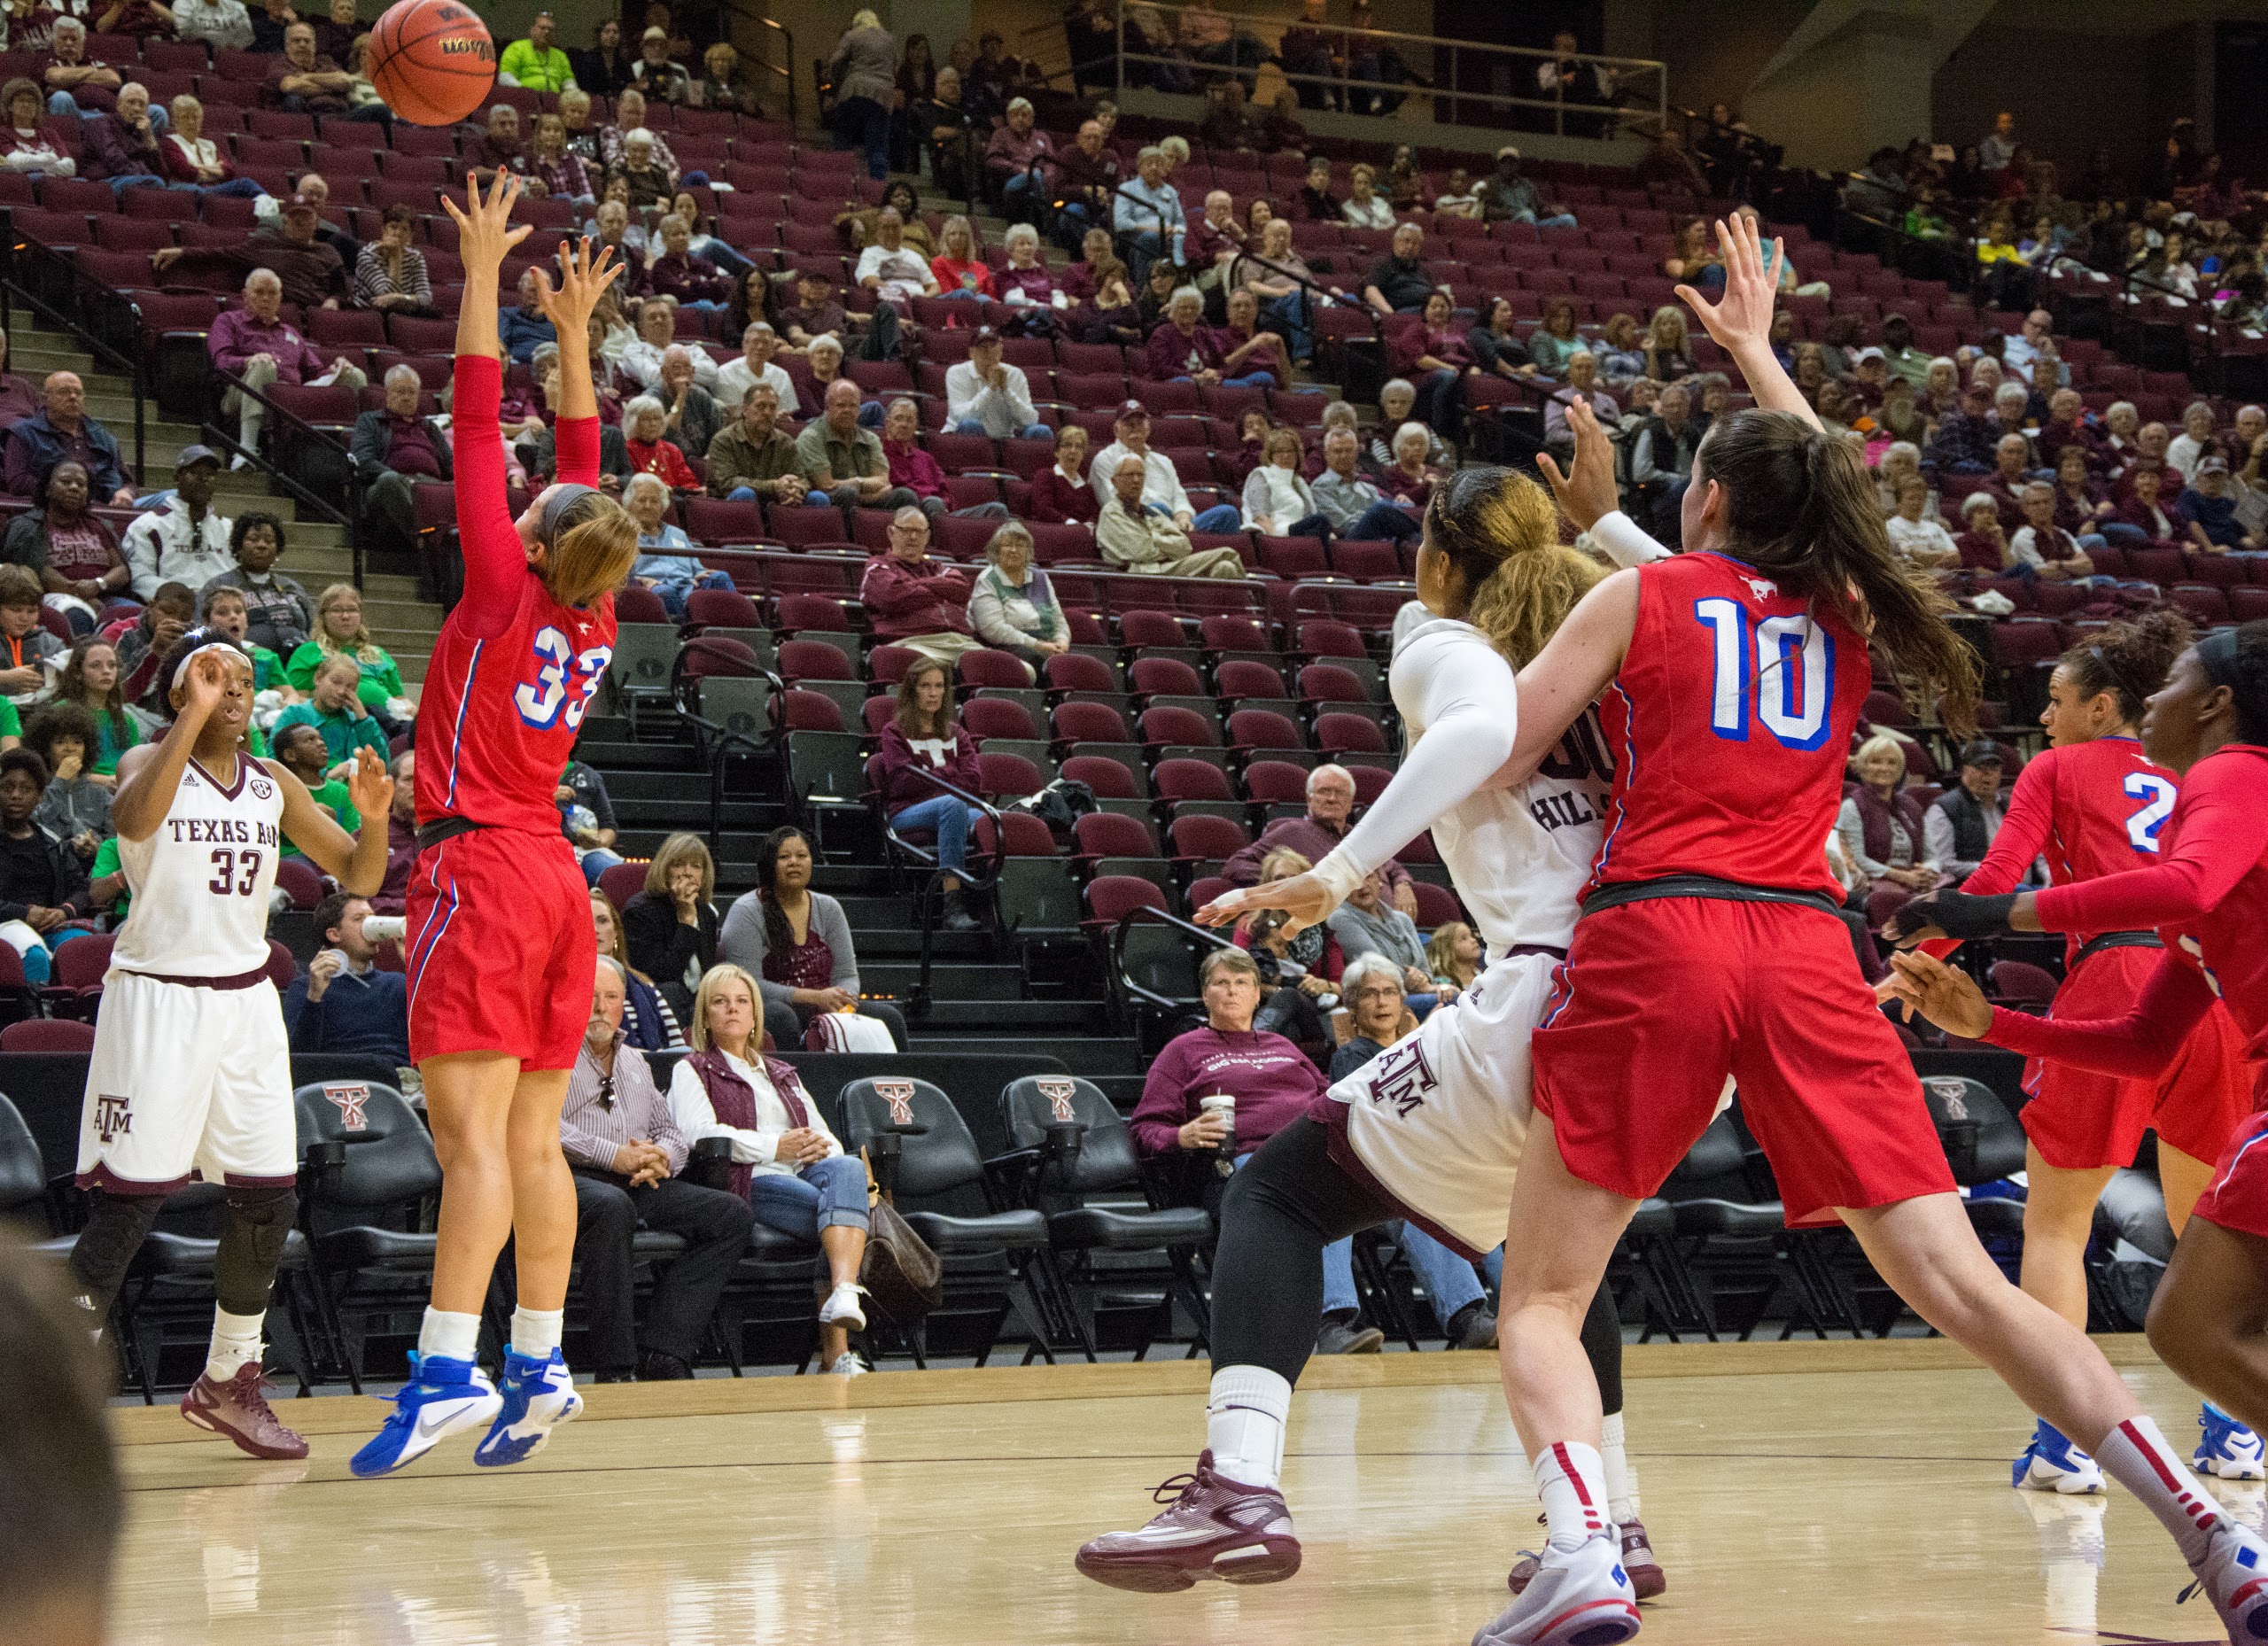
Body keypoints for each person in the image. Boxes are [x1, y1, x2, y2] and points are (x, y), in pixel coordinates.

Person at [1456, 212, 2268, 1642]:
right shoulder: (1839, 614)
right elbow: (1840, 497)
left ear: (1702, 502)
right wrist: (1763, 356)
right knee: (1964, 1282)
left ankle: (1582, 1546)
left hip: (1661, 934)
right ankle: (2215, 1530)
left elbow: (1500, 756)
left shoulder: (1645, 593)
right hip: (1808, 946)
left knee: (1544, 1295)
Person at [1085, 453, 1674, 1591]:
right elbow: (1737, 591)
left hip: (1549, 986)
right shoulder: (1628, 653)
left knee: (1280, 1192)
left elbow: (1470, 737)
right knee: (1561, 1277)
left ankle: (1240, 1484)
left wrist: (1341, 867)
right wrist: (1616, 522)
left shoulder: (1440, 640)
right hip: (1670, 1004)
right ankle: (1611, 1524)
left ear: (1441, 558)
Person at [350, 181, 639, 1479]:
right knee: (529, 1140)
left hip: (480, 863)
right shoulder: (594, 609)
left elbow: (476, 421)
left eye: (530, 505)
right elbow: (578, 471)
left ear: (533, 536)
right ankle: (540, 1357)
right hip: (563, 882)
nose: (519, 498)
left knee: (471, 1143)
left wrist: (478, 271)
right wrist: (574, 337)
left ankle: (445, 1367)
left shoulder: (503, 582)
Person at [1881, 623, 2268, 1472]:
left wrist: (1934, 947)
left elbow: (1996, 882)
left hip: (2111, 960)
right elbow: (2159, 1001)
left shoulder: (2179, 773)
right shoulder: (2192, 793)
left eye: (2055, 702)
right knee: (2204, 1238)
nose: (2045, 720)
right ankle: (2235, 1430)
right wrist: (1991, 1022)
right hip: (2208, 1001)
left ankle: (2066, 1440)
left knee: (2058, 1227)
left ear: (2102, 706)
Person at [66, 633, 391, 1461]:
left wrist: (380, 818)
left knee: (269, 1194)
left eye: (244, 679)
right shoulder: (148, 759)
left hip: (245, 1006)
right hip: (159, 1001)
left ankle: (229, 1377)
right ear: (180, 694)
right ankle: (46, 1390)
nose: (235, 688)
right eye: (213, 676)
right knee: (132, 1200)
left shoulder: (272, 783)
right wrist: (193, 715)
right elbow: (133, 820)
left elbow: (355, 873)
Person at [667, 962, 872, 1375]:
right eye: (720, 1002)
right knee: (839, 1220)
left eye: (742, 1001)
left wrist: (820, 1146)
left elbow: (821, 1132)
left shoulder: (780, 1072)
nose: (733, 1009)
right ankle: (839, 1349)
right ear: (705, 1014)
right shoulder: (692, 1068)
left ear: (756, 1013)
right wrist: (774, 1145)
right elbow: (701, 1135)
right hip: (749, 1179)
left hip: (801, 1172)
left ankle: (844, 1292)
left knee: (846, 1167)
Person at [559, 955, 752, 1383]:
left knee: (730, 1214)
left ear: (623, 1003)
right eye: (590, 997)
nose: (600, 1007)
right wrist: (614, 1155)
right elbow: (539, 1127)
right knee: (611, 1208)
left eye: (611, 997)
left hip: (637, 1179)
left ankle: (663, 1350)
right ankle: (615, 1366)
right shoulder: (552, 1053)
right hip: (568, 1180)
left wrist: (660, 1157)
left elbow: (670, 1130)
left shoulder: (634, 1061)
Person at [715, 823, 906, 1052]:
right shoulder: (746, 910)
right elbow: (748, 983)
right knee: (782, 1017)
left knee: (889, 1017)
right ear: (769, 865)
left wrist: (842, 1005)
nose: (794, 862)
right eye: (784, 857)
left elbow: (846, 975)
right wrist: (815, 998)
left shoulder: (829, 908)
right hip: (776, 1006)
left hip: (827, 1004)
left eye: (802, 856)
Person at [206, 262, 368, 459]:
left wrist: (335, 370)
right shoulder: (227, 321)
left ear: (280, 298)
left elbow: (315, 373)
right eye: (259, 292)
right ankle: (246, 450)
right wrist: (249, 361)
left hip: (291, 398)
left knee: (354, 375)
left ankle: (361, 452)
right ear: (245, 295)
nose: (266, 298)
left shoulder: (290, 332)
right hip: (243, 393)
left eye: (272, 293)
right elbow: (222, 362)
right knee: (264, 365)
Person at [874, 657, 984, 932]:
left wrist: (934, 778)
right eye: (926, 686)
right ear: (912, 690)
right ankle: (952, 905)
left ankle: (991, 903)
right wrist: (949, 778)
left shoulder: (957, 733)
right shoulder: (894, 732)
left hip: (951, 805)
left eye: (939, 686)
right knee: (953, 804)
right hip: (907, 812)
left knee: (990, 820)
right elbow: (902, 782)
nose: (934, 693)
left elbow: (974, 780)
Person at [1223, 763, 1415, 912]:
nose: (1332, 798)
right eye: (1324, 791)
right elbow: (1237, 864)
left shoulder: (1359, 835)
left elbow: (1394, 868)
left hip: (1391, 926)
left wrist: (1403, 884)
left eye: (1340, 793)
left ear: (1350, 803)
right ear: (1309, 799)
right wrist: (1295, 887)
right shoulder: (1292, 832)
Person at [860, 506, 1003, 671]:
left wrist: (913, 586)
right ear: (891, 533)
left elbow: (961, 589)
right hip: (911, 642)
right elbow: (892, 596)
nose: (913, 537)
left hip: (960, 642)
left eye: (919, 532)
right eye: (906, 530)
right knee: (931, 670)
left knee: (1024, 672)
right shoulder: (877, 565)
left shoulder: (938, 567)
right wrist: (939, 589)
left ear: (927, 536)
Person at [282, 889, 410, 1064]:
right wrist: (314, 998)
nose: (370, 925)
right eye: (359, 919)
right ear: (334, 934)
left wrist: (414, 966)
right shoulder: (306, 987)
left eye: (371, 917)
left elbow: (442, 1031)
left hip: (396, 1077)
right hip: (335, 1077)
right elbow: (299, 1057)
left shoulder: (398, 983)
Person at [1088, 401, 1242, 532]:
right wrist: (1163, 515)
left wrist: (1183, 517)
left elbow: (1179, 497)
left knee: (1228, 514)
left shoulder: (1163, 461)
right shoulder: (1105, 460)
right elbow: (1116, 504)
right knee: (1158, 508)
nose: (1135, 429)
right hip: (1136, 527)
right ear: (1116, 429)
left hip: (1174, 526)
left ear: (1148, 428)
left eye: (1140, 424)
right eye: (1129, 424)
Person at [4, 460, 126, 619]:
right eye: (65, 481)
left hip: (102, 594)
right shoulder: (27, 526)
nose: (74, 487)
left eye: (81, 484)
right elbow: (37, 570)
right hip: (51, 595)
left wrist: (98, 584)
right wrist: (81, 594)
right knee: (78, 614)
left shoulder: (98, 525)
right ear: (47, 489)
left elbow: (122, 570)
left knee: (134, 614)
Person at [1099, 454, 1245, 581]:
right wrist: (1166, 545)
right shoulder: (1111, 513)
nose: (1136, 480)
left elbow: (1184, 546)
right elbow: (1142, 552)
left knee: (1226, 567)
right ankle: (1255, 603)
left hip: (1167, 568)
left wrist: (1152, 538)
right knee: (1227, 553)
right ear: (1114, 481)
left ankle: (1219, 612)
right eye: (1129, 475)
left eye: (1140, 475)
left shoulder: (1152, 512)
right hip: (1141, 574)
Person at [284, 582, 404, 724]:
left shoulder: (378, 655)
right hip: (333, 720)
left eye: (352, 610)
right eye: (336, 610)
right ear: (323, 617)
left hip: (386, 721)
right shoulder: (307, 652)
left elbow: (400, 700)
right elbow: (298, 699)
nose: (345, 616)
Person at [7, 369, 133, 505]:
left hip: (108, 508)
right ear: (45, 399)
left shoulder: (103, 436)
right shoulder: (23, 433)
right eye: (64, 391)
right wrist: (67, 493)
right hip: (49, 508)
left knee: (159, 502)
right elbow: (17, 482)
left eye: (78, 392)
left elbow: (128, 482)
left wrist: (125, 492)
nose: (73, 397)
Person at [966, 523, 1068, 674]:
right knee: (1039, 662)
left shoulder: (1040, 577)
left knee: (1079, 664)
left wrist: (1062, 641)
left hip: (1049, 645)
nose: (1014, 550)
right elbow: (993, 630)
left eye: (1020, 545)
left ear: (1028, 551)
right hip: (1007, 647)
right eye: (1007, 545)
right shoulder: (987, 580)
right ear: (996, 550)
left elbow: (1058, 618)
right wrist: (1038, 645)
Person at [25, 703, 110, 863]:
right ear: (46, 749)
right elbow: (35, 826)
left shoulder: (101, 795)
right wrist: (60, 782)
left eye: (77, 742)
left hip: (92, 871)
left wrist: (96, 848)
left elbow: (115, 842)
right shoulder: (34, 791)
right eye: (60, 742)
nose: (69, 748)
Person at [1310, 426, 1420, 545]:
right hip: (1346, 542)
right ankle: (1425, 537)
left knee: (1406, 511)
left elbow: (1389, 513)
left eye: (1348, 451)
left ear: (1356, 453)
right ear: (1326, 455)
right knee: (1380, 509)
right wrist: (1371, 515)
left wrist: (1401, 503)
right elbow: (1341, 523)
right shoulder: (1320, 487)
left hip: (1376, 536)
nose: (1343, 456)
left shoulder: (1367, 487)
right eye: (1338, 451)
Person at [705, 384, 806, 508]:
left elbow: (802, 478)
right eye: (761, 406)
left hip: (776, 502)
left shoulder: (786, 441)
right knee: (745, 493)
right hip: (729, 508)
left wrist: (796, 489)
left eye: (773, 407)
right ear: (745, 409)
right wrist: (774, 486)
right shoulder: (723, 440)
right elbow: (728, 483)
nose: (767, 412)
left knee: (817, 497)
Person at [50, 637, 137, 780]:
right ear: (78, 673)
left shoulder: (126, 719)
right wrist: (98, 780)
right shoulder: (61, 713)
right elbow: (52, 767)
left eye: (112, 665)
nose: (106, 671)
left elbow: (135, 766)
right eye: (96, 666)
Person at [828, 9, 897, 181]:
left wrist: (837, 78)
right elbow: (896, 66)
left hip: (854, 90)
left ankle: (843, 178)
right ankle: (877, 183)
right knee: (877, 144)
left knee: (845, 137)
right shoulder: (889, 39)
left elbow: (836, 60)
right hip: (882, 96)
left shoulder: (853, 35)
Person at [945, 327, 1046, 440]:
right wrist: (991, 388)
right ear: (971, 353)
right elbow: (961, 417)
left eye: (993, 346)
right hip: (963, 436)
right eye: (982, 347)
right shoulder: (956, 372)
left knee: (1041, 431)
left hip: (1004, 439)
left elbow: (1030, 420)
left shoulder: (1015, 374)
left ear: (1001, 350)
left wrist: (1006, 390)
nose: (988, 352)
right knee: (970, 425)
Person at [1115, 145, 1185, 281]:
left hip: (1168, 238)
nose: (1154, 167)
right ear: (1140, 167)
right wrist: (1155, 229)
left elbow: (1180, 221)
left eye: (1159, 164)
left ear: (1164, 170)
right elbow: (1121, 223)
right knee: (1150, 238)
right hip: (1135, 238)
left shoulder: (1170, 191)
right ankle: (1143, 289)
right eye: (1149, 163)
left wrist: (1175, 230)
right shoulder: (1127, 188)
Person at [0, 564, 62, 707]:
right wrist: (6, 677)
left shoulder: (51, 644)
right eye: (16, 610)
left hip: (41, 715)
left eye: (31, 611)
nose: (24, 618)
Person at [1475, 147, 1574, 229]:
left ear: (1518, 165)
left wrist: (1552, 209)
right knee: (1527, 214)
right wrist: (1512, 213)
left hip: (1532, 222)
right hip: (1508, 225)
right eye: (1505, 162)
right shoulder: (1491, 183)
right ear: (1498, 165)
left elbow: (1540, 207)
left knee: (1568, 219)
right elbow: (1487, 210)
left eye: (1512, 162)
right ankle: (1536, 250)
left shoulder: (1527, 185)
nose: (1508, 166)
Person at [715, 322, 796, 417]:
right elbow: (731, 412)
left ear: (772, 349)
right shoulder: (725, 372)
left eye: (766, 343)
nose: (760, 347)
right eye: (755, 342)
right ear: (744, 345)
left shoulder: (782, 375)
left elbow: (787, 410)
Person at [1361, 222, 1440, 316]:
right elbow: (1370, 290)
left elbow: (1438, 293)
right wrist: (1391, 316)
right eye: (1406, 241)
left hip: (1432, 310)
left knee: (1460, 314)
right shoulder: (1383, 264)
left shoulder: (1424, 269)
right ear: (1396, 242)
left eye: (1415, 243)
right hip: (1405, 312)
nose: (1410, 247)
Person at [498, 10, 576, 93]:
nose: (546, 32)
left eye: (550, 30)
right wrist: (526, 93)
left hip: (553, 100)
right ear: (533, 30)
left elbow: (569, 82)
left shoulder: (560, 56)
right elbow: (505, 78)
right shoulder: (516, 48)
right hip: (524, 97)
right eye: (542, 28)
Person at [571, 18, 635, 102]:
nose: (611, 36)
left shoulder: (624, 63)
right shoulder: (587, 59)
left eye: (615, 32)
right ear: (599, 35)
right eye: (607, 32)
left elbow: (630, 85)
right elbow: (583, 89)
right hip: (593, 104)